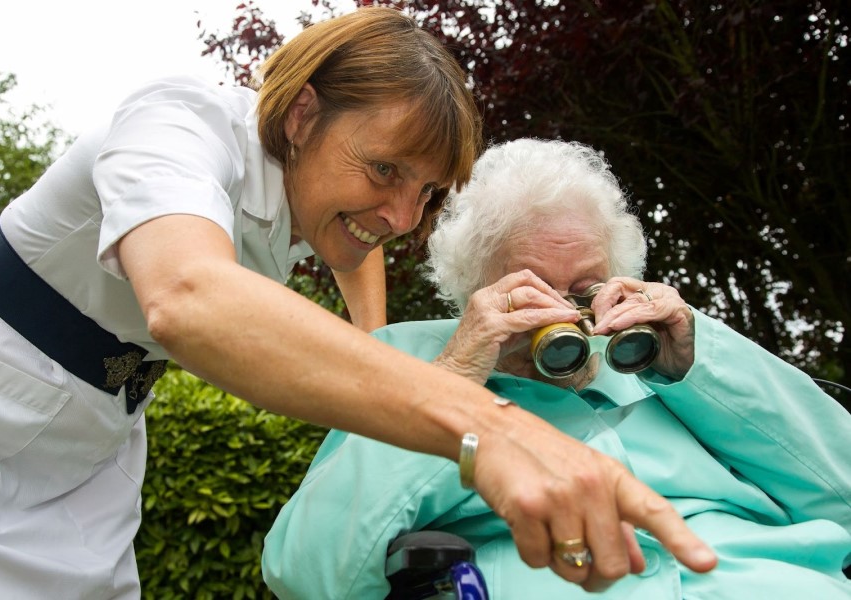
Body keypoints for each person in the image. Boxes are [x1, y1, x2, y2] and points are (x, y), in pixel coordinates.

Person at [0, 7, 718, 597]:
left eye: (426, 192)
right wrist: (491, 428)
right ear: (303, 114)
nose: (402, 217)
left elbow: (367, 252)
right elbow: (189, 299)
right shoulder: (177, 124)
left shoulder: (318, 200)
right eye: (384, 170)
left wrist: (379, 350)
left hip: (98, 445)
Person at [261, 138, 851, 599]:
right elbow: (312, 572)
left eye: (585, 289)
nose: (563, 316)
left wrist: (702, 359)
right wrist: (452, 382)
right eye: (533, 290)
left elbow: (840, 494)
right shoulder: (412, 356)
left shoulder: (662, 357)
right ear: (476, 285)